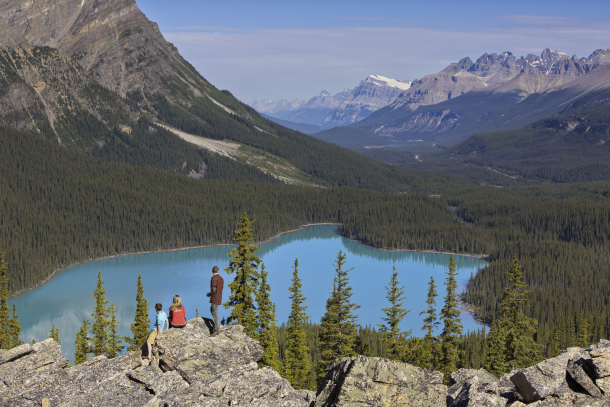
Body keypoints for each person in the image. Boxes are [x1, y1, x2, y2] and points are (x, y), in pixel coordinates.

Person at [206, 266, 224, 337]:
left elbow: (213, 289)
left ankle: (216, 329)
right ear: (218, 271)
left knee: (215, 312)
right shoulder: (221, 278)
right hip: (219, 297)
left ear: (212, 271)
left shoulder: (214, 279)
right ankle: (216, 325)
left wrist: (209, 294)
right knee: (212, 310)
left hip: (214, 298)